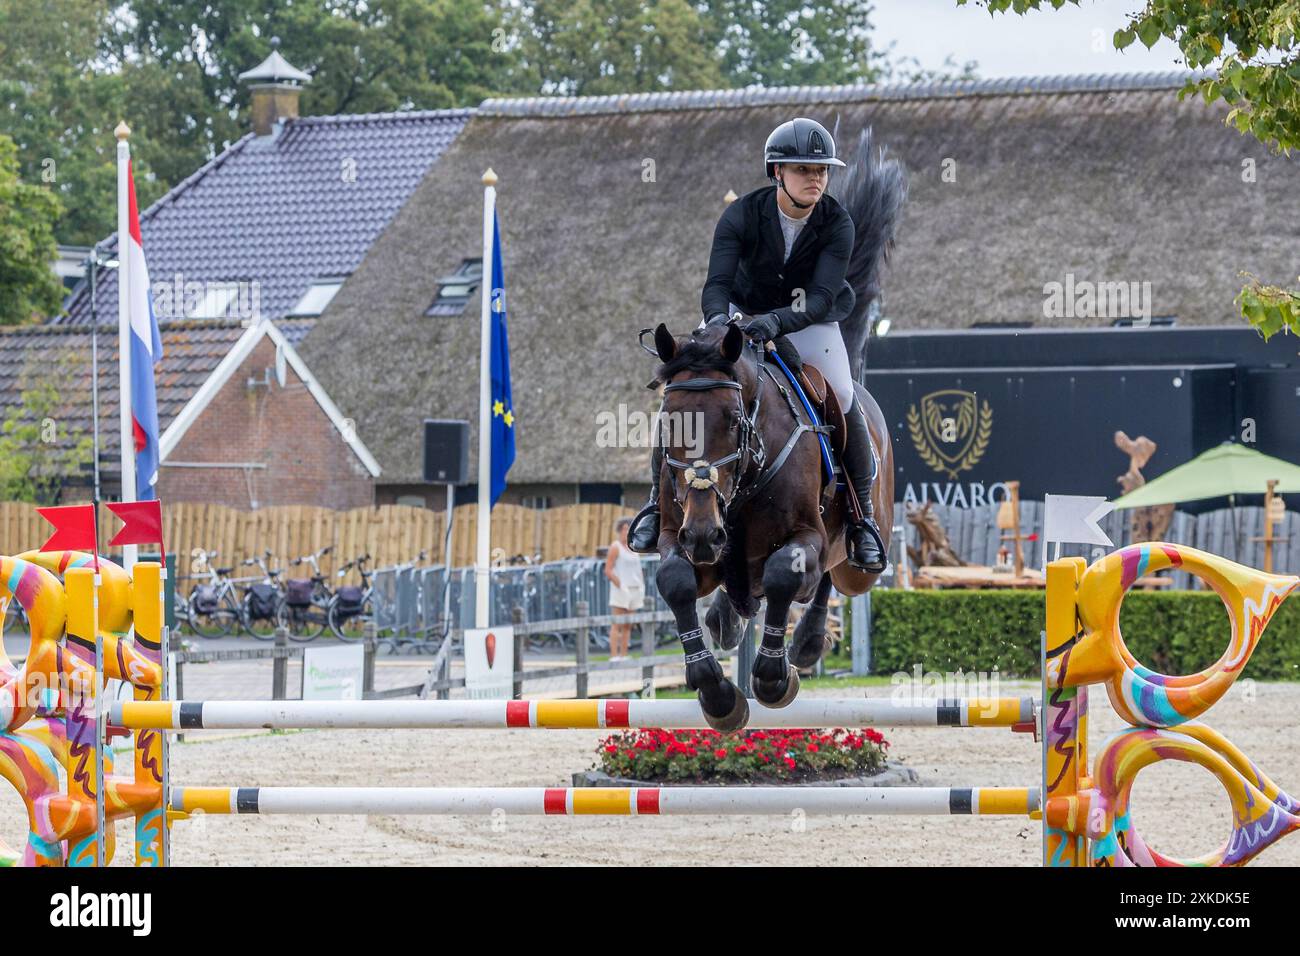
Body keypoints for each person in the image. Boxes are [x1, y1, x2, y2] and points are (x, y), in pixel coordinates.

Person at [626, 117, 887, 573]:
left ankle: (861, 516)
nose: (816, 178)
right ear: (777, 172)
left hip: (810, 322)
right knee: (685, 393)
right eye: (804, 170)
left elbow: (822, 297)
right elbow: (716, 285)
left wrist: (775, 322)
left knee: (843, 394)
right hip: (737, 317)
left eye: (822, 170)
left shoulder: (837, 222)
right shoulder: (742, 215)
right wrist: (725, 325)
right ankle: (655, 503)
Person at [604, 517, 646, 661]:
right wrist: (620, 585)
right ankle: (614, 655)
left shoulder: (634, 547)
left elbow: (638, 569)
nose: (626, 532)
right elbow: (608, 570)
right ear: (619, 531)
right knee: (617, 623)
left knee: (628, 624)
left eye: (628, 529)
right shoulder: (615, 547)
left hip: (635, 589)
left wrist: (641, 585)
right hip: (621, 589)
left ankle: (623, 654)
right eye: (623, 529)